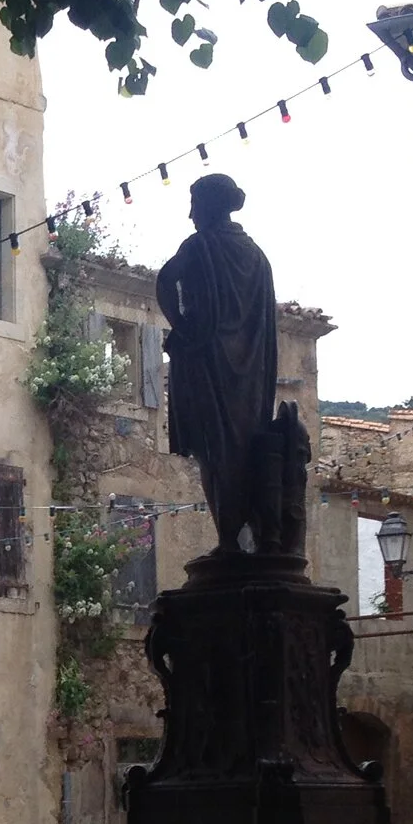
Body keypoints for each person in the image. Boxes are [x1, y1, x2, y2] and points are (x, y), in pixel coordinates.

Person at [156, 174, 278, 551]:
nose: (190, 214)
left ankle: (228, 538)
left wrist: (182, 327)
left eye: (194, 204)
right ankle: (244, 536)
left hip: (207, 366)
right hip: (249, 374)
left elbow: (164, 281)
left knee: (212, 450)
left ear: (208, 206)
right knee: (242, 450)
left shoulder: (199, 246)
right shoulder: (258, 257)